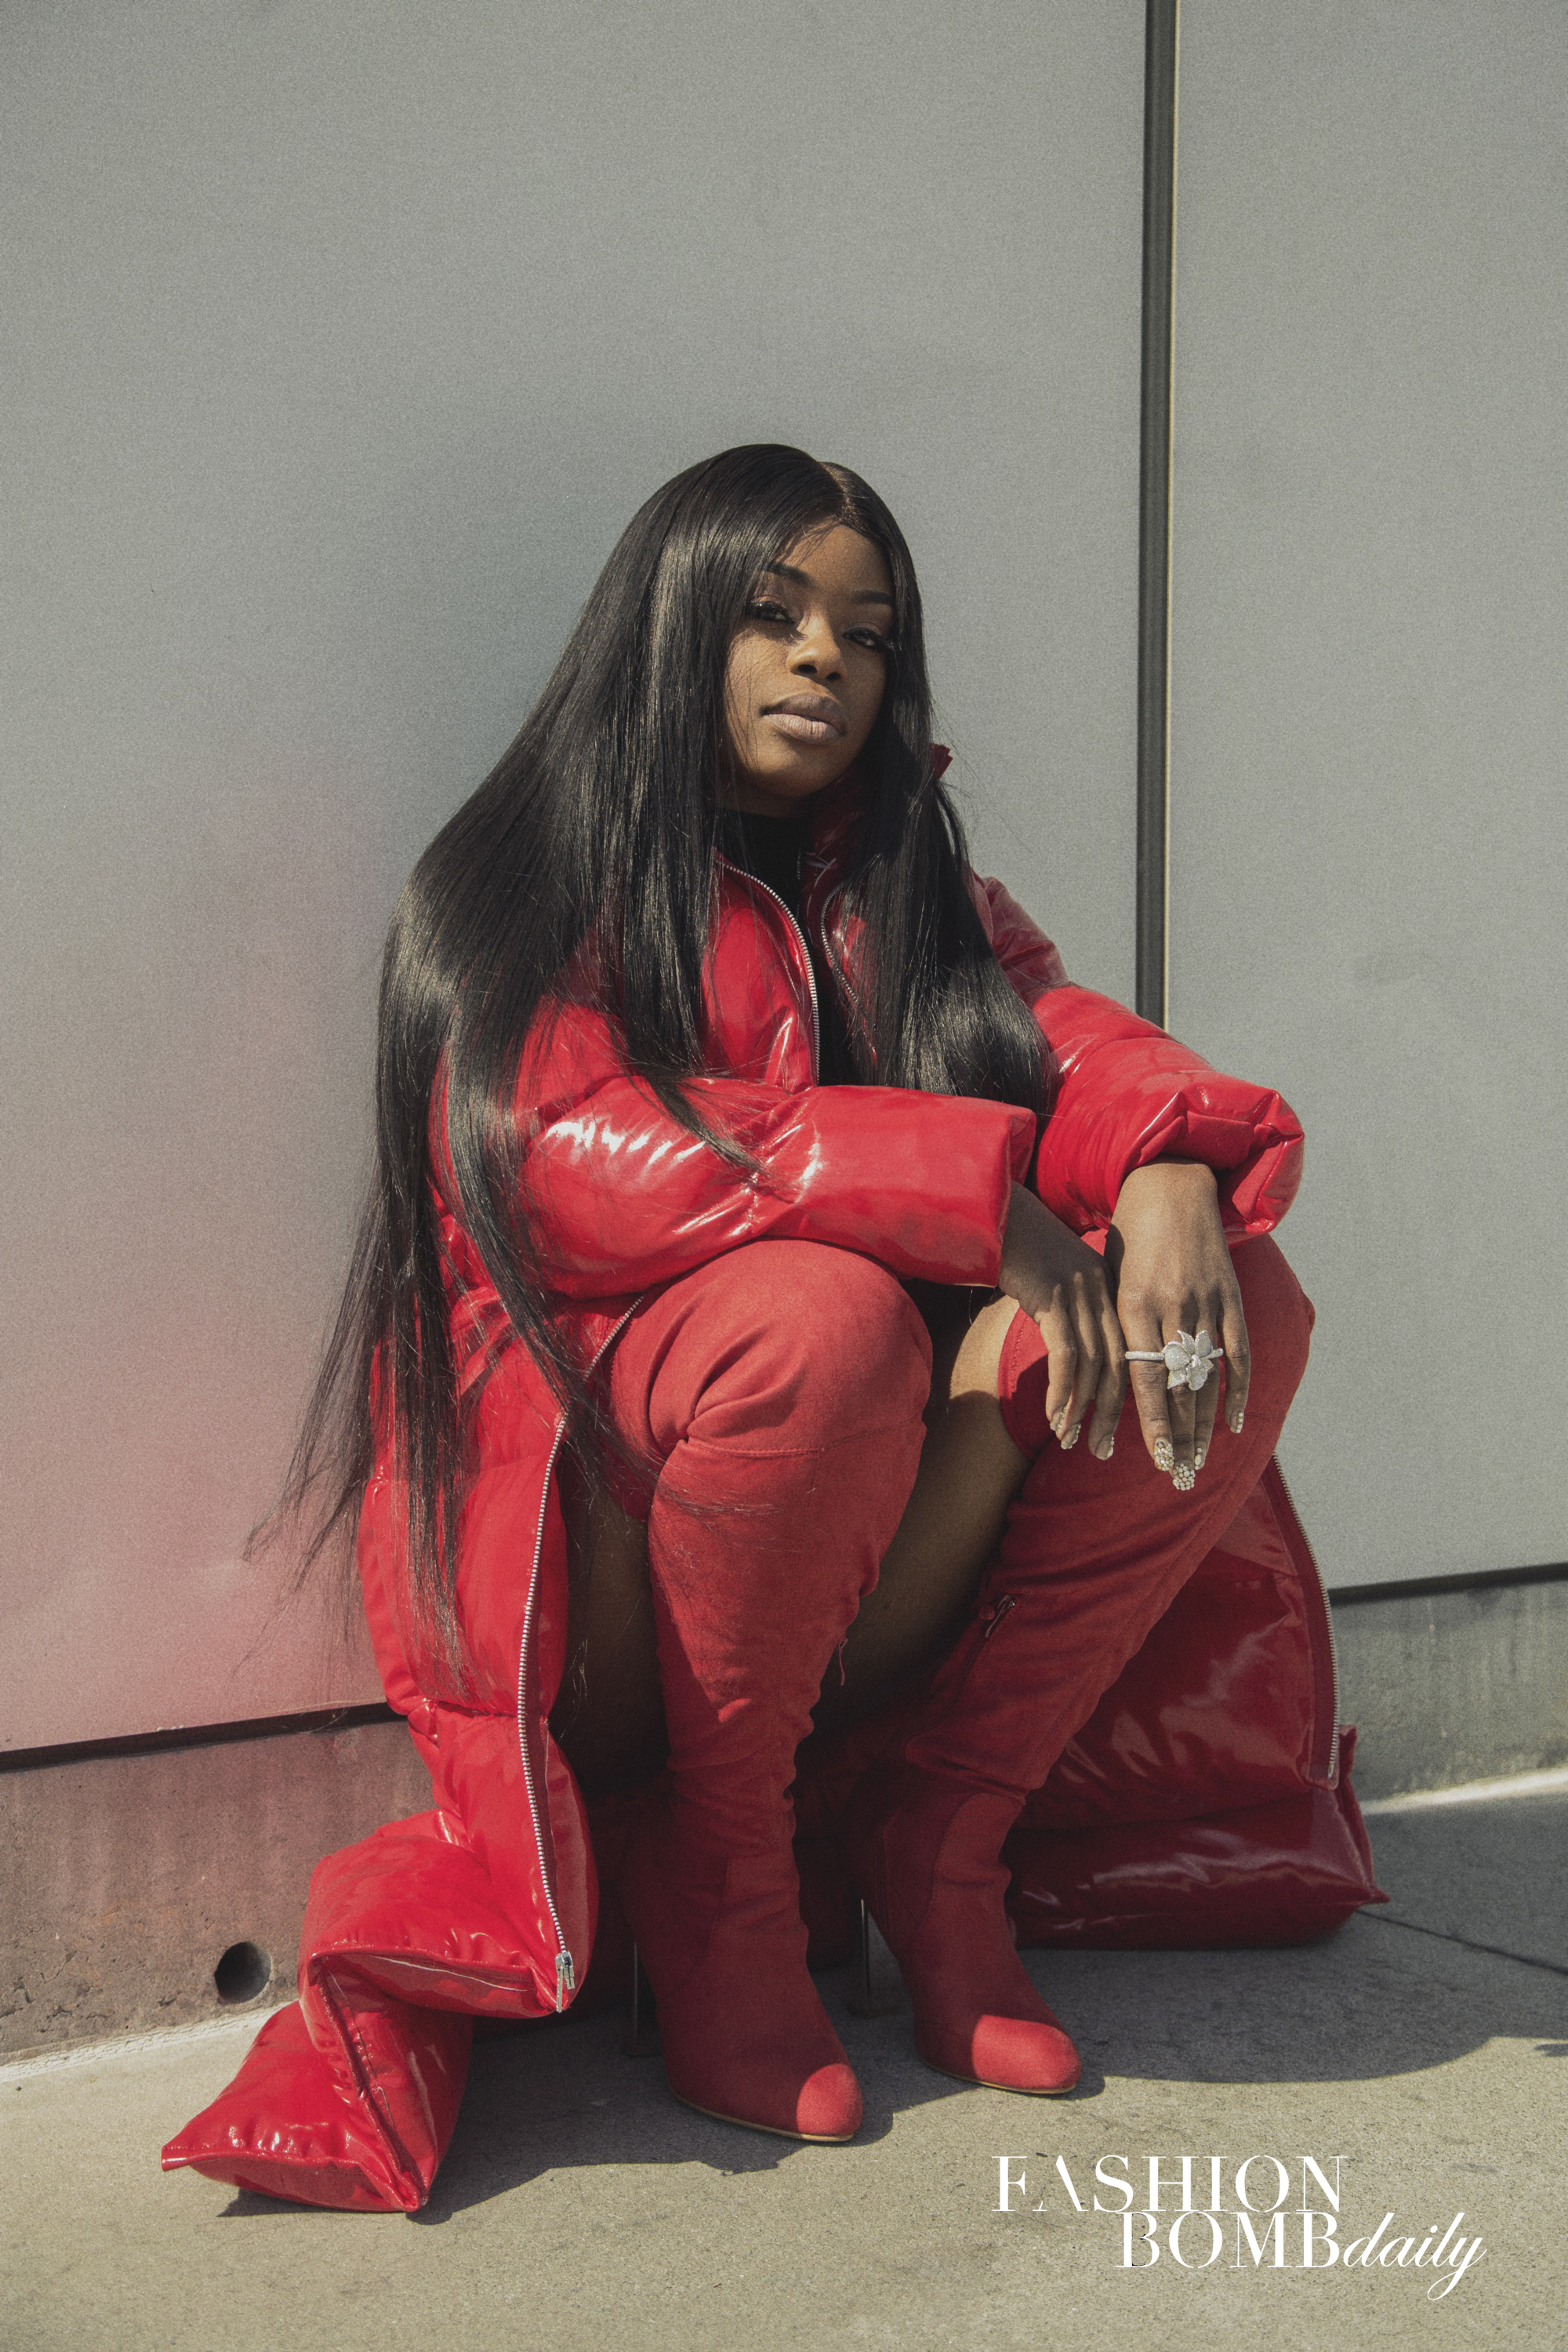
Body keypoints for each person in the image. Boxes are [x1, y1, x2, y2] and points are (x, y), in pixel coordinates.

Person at [163, 444, 1319, 2207]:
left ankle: (945, 1842)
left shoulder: (914, 890)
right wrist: (969, 1194)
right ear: (672, 624)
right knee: (819, 1318)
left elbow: (1066, 1038)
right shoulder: (526, 875)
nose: (821, 657)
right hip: (607, 1586)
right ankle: (724, 1895)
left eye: (866, 629)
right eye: (771, 614)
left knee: (1233, 1303)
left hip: (849, 1563)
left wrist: (1166, 1162)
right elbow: (550, 1154)